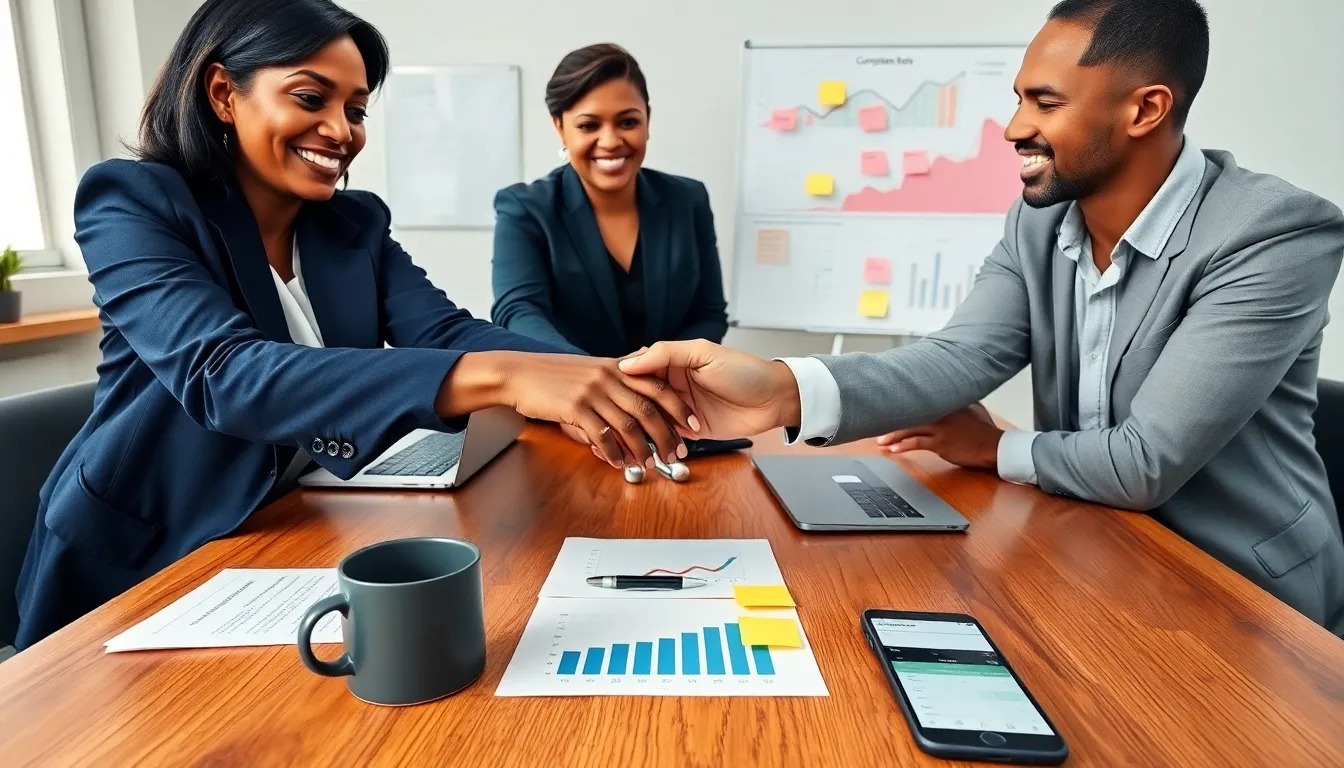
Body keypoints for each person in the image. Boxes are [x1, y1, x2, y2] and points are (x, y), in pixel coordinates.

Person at [619, 0, 1344, 636]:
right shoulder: (1040, 223)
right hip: (1093, 551)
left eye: (1045, 103)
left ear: (1145, 110)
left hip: (1244, 601)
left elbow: (1143, 463)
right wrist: (780, 389)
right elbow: (958, 358)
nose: (1012, 127)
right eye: (1018, 99)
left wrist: (994, 448)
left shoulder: (1272, 235)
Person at [13, 0, 697, 650]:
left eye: (357, 109)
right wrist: (510, 376)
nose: (342, 130)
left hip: (280, 539)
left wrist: (610, 380)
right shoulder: (134, 200)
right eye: (311, 99)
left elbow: (448, 334)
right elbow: (221, 374)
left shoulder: (354, 224)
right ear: (224, 93)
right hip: (141, 563)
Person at [489, 43, 729, 360]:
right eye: (589, 125)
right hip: (569, 398)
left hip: (671, 394)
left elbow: (709, 315)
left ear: (647, 119)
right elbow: (518, 313)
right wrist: (599, 377)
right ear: (559, 127)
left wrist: (657, 369)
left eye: (628, 122)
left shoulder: (688, 198)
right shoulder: (524, 208)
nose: (611, 141)